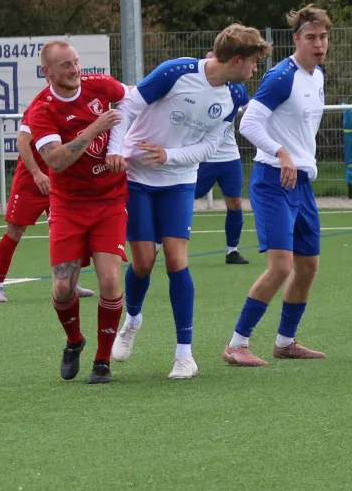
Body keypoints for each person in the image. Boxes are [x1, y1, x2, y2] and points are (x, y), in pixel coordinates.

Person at [111, 26, 266, 379]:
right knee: (144, 262)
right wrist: (117, 151)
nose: (255, 69)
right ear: (237, 59)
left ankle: (185, 355)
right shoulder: (176, 71)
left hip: (179, 179)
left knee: (176, 259)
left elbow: (211, 147)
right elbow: (128, 106)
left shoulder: (235, 97)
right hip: (137, 177)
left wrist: (169, 156)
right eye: (254, 62)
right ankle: (132, 318)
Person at [225, 7, 330, 367]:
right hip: (273, 180)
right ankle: (236, 344)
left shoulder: (318, 77)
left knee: (308, 266)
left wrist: (296, 159)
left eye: (323, 37)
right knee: (281, 266)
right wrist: (281, 152)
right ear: (296, 39)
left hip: (302, 182)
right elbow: (249, 123)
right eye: (311, 38)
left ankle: (285, 342)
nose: (319, 44)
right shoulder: (281, 76)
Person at [25, 41, 130, 383]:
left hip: (109, 201)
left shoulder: (101, 86)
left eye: (75, 62)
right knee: (62, 287)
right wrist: (95, 129)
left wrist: (117, 146)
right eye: (65, 65)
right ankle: (74, 341)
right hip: (68, 205)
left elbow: (130, 100)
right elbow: (56, 160)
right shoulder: (41, 110)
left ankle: (102, 361)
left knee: (111, 281)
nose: (74, 70)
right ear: (48, 72)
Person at [0, 128, 51, 304]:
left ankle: (70, 282)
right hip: (30, 182)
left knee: (66, 232)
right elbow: (22, 142)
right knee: (15, 231)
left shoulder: (72, 108)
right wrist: (37, 173)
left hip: (58, 181)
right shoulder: (37, 109)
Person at [193, 131, 250, 265]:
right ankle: (157, 243)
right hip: (203, 158)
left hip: (230, 158)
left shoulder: (233, 108)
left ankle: (232, 251)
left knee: (235, 203)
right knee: (183, 200)